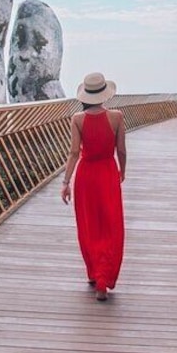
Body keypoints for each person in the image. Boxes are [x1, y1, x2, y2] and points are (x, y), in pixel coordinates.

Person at [61, 72, 126, 302]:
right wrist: (122, 171)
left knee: (89, 225)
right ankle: (103, 279)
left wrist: (66, 182)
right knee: (110, 225)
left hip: (86, 176)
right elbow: (121, 150)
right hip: (108, 172)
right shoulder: (117, 117)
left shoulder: (77, 119)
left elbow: (73, 153)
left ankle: (94, 273)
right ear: (105, 94)